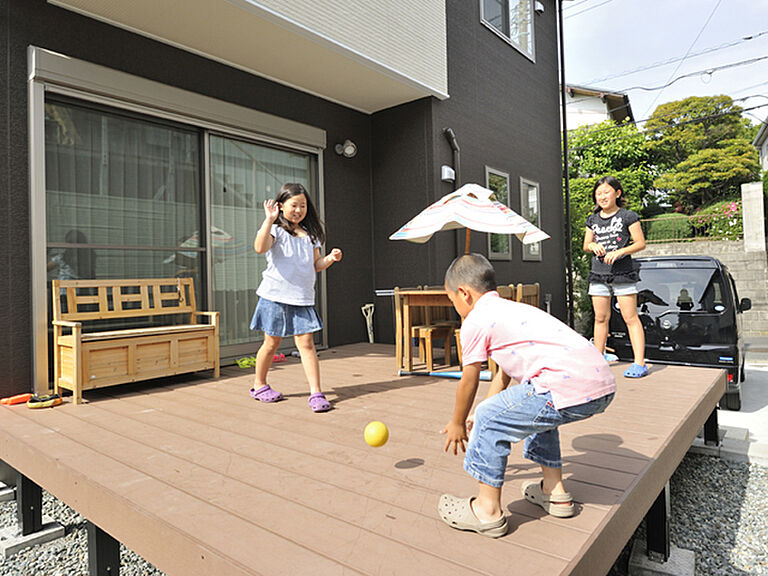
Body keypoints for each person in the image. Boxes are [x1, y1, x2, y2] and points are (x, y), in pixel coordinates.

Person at [438, 254, 615, 538]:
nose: (455, 308)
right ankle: (554, 492)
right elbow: (504, 373)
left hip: (563, 386)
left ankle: (487, 511)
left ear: (464, 293)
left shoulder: (475, 320)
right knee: (535, 408)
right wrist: (487, 406)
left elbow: (469, 378)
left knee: (491, 418)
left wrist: (459, 421)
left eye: (452, 301)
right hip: (600, 383)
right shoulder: (511, 309)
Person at [249, 183, 342, 412]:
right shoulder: (276, 230)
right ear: (281, 206)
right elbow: (260, 248)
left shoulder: (311, 236)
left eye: (303, 205)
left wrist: (330, 259)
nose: (299, 210)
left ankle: (316, 393)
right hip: (275, 296)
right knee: (271, 344)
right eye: (294, 205)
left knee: (307, 345)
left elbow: (315, 265)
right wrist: (268, 221)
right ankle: (259, 385)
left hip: (302, 298)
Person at [583, 176, 648, 378]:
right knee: (601, 318)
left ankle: (639, 363)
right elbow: (586, 245)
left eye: (606, 192)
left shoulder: (628, 216)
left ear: (617, 193)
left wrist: (619, 252)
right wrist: (592, 245)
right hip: (598, 274)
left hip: (623, 274)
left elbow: (640, 243)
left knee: (630, 318)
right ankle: (599, 358)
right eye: (599, 193)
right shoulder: (592, 220)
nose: (602, 196)